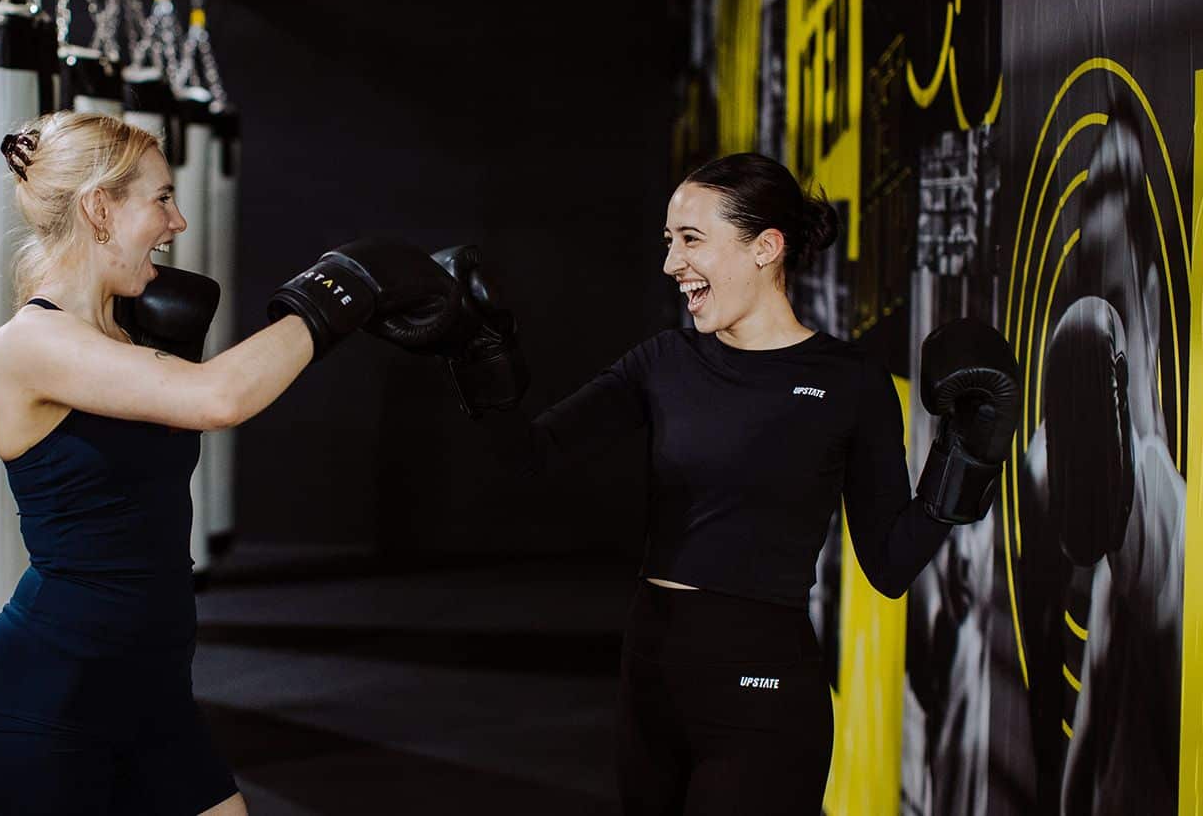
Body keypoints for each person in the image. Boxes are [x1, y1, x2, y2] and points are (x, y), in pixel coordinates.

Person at [373, 152, 1022, 816]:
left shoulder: (850, 382)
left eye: (690, 240)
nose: (670, 263)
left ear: (765, 247)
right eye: (667, 241)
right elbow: (530, 456)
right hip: (650, 675)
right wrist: (472, 352)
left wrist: (966, 461)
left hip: (763, 695)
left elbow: (888, 563)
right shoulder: (665, 361)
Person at [0, 110, 459, 816]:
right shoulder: (29, 344)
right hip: (45, 708)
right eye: (160, 197)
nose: (178, 221)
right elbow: (220, 396)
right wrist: (343, 288)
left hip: (150, 695)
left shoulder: (128, 334)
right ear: (99, 208)